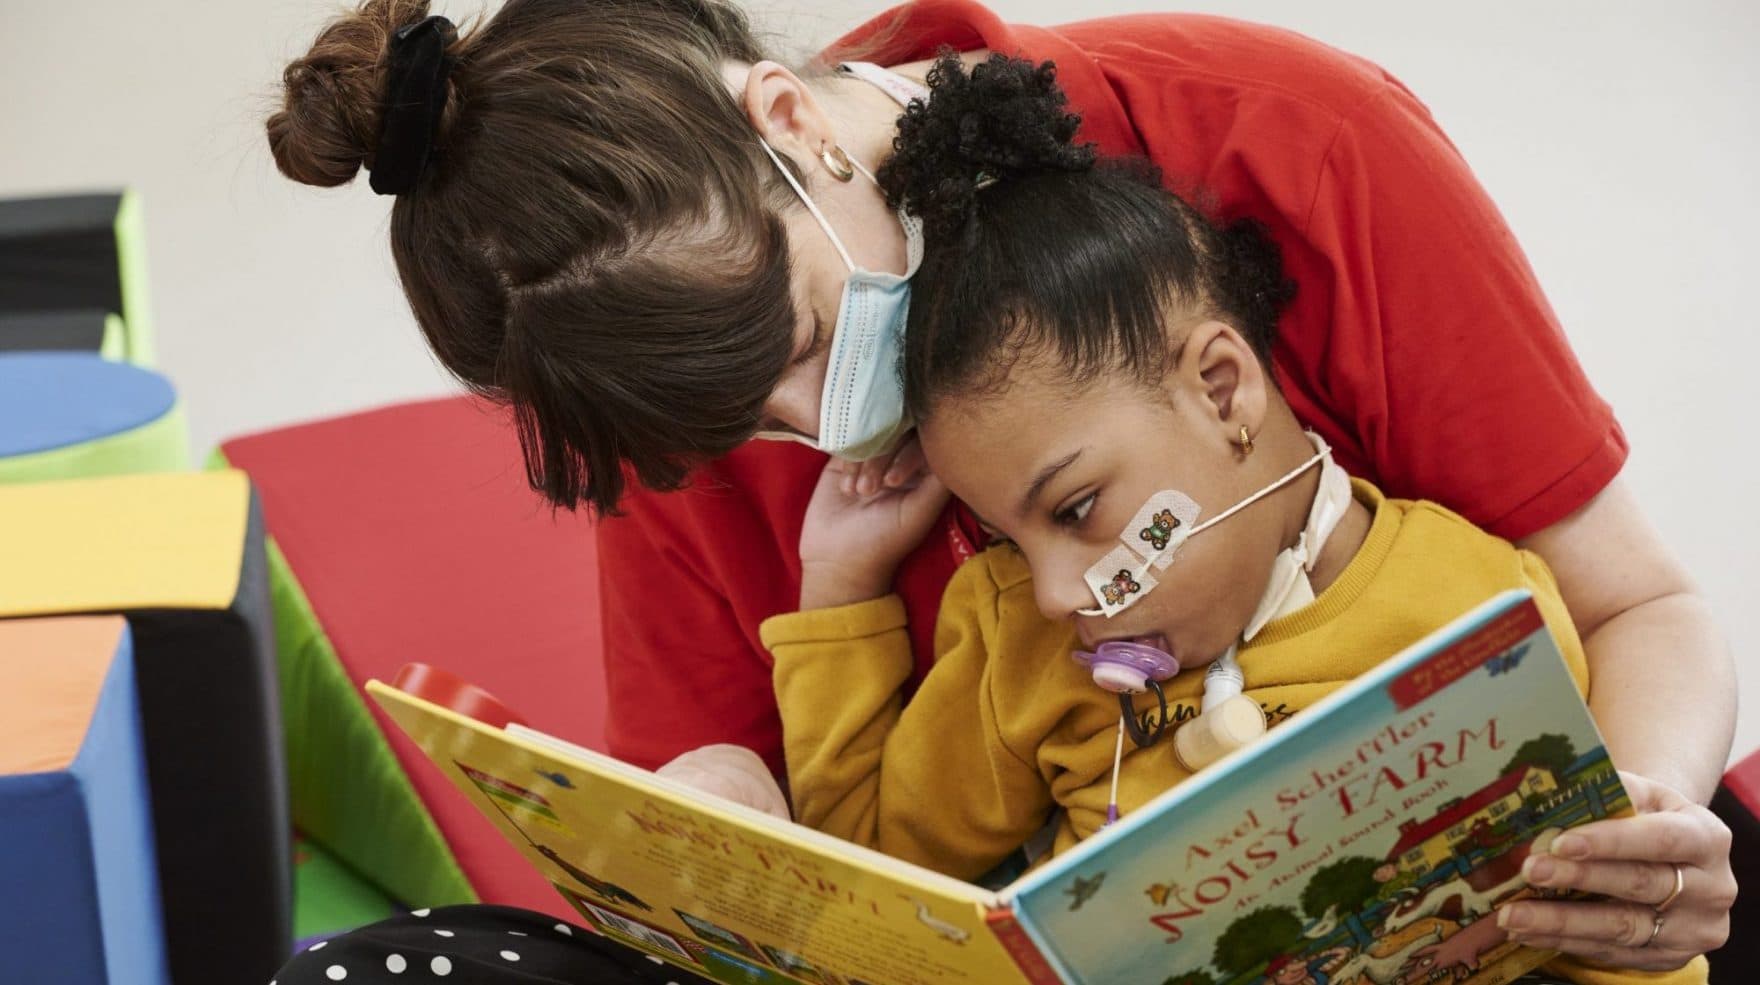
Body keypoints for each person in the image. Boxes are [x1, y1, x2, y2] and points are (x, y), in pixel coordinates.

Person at [262, 0, 1734, 981]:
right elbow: (766, 802)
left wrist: (1644, 827)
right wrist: (704, 806)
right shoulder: (666, 392)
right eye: (739, 425)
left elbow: (1635, 605)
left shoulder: (1283, 136)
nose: (812, 429)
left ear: (790, 121)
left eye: (799, 346)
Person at [759, 54, 1720, 985]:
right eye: (1011, 538)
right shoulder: (1019, 644)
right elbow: (866, 871)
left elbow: (1609, 926)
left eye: (1078, 508)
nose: (1055, 593)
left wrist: (1633, 892)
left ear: (1222, 390)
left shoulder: (1480, 612)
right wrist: (840, 589)